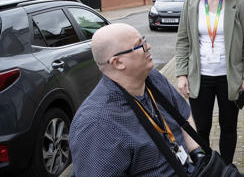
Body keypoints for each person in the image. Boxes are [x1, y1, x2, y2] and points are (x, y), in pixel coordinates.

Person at [69, 23, 201, 176]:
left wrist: (197, 153)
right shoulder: (97, 125)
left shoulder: (151, 78)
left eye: (144, 40)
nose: (149, 47)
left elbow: (183, 114)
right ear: (118, 63)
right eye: (140, 45)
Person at [175, 0, 244, 165]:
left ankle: (226, 167)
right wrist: (181, 73)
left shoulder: (238, 2)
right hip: (200, 77)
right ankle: (207, 167)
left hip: (230, 77)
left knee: (228, 126)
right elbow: (183, 40)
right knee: (200, 128)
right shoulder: (191, 2)